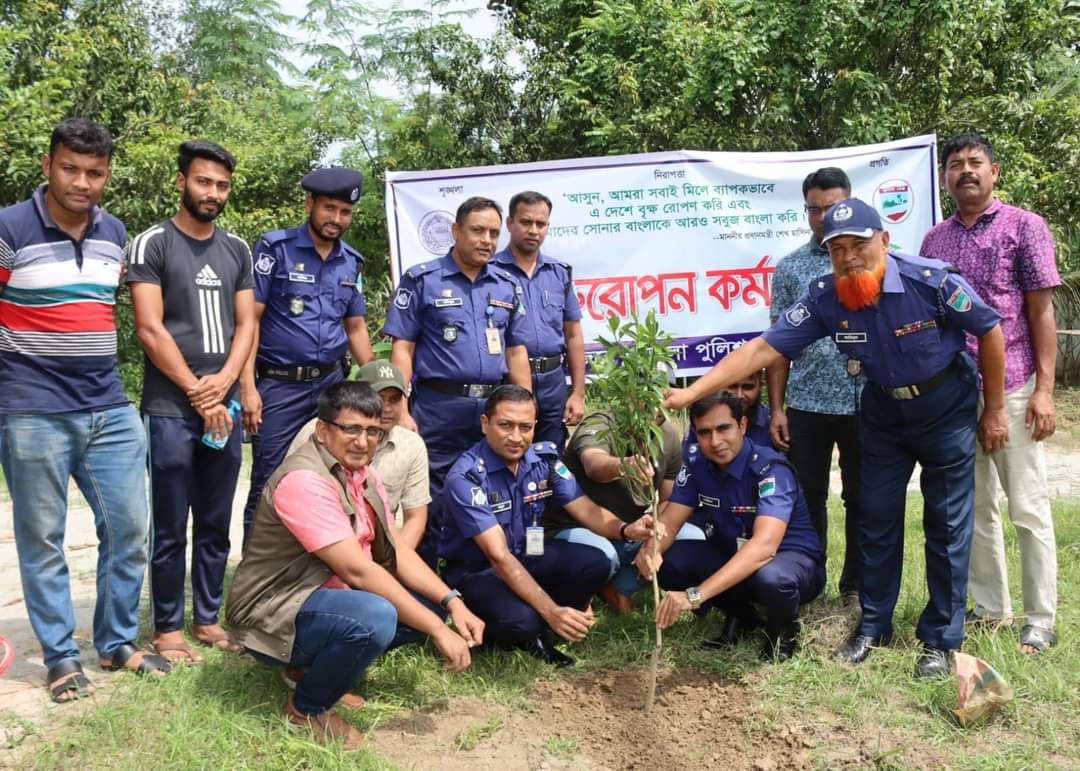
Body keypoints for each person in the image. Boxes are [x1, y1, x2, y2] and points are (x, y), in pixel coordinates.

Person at [666, 198, 1008, 678]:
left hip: (944, 407)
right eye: (837, 249)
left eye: (858, 245)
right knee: (876, 519)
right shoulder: (827, 296)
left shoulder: (928, 281)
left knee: (946, 525)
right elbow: (763, 348)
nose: (848, 257)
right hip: (884, 412)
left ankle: (939, 640)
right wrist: (691, 394)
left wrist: (992, 410)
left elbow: (989, 330)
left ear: (883, 241)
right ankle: (874, 624)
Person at [0, 118, 171, 702]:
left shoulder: (113, 232)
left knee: (130, 528)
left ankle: (117, 640)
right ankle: (59, 656)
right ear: (47, 166)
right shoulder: (9, 227)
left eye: (94, 172)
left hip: (107, 407)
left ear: (107, 176)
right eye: (69, 168)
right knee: (42, 537)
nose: (81, 181)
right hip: (31, 409)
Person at [226, 381, 484, 751]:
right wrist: (439, 632)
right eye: (351, 429)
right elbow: (358, 572)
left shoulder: (361, 474)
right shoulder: (304, 480)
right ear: (322, 429)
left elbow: (395, 550)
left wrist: (452, 603)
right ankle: (305, 711)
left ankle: (308, 671)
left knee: (426, 606)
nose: (363, 441)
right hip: (274, 608)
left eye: (372, 432)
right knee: (375, 615)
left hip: (321, 597)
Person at [921, 133, 1060, 654]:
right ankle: (991, 608)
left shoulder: (1026, 227)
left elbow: (1041, 311)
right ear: (945, 179)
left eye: (975, 162)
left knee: (1027, 506)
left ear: (994, 171)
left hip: (1018, 384)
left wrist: (1044, 391)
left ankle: (1040, 619)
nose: (966, 171)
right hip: (957, 393)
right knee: (975, 506)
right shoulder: (935, 241)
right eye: (955, 165)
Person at [127, 140, 257, 663]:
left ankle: (206, 618)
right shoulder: (151, 243)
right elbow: (149, 327)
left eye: (222, 185)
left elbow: (247, 324)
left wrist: (225, 381)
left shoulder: (238, 250)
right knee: (169, 521)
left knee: (214, 518)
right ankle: (166, 628)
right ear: (181, 181)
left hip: (221, 408)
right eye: (204, 181)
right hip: (170, 408)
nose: (213, 192)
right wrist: (196, 391)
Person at [439, 386, 657, 666]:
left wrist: (627, 529)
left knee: (596, 561)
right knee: (523, 622)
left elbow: (586, 509)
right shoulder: (466, 476)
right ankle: (528, 626)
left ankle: (554, 619)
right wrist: (551, 611)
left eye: (525, 427)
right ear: (485, 424)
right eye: (505, 425)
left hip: (529, 552)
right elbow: (498, 556)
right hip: (479, 572)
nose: (516, 437)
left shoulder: (544, 460)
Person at [382, 196, 531, 563]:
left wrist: (525, 404)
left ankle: (478, 575)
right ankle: (430, 581)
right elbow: (403, 348)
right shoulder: (422, 280)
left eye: (494, 233)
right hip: (439, 407)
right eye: (477, 230)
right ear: (455, 231)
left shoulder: (505, 284)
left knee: (492, 488)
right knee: (432, 497)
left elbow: (515, 351)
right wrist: (401, 408)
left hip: (492, 408)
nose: (487, 240)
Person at [240, 167, 374, 537]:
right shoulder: (275, 249)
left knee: (332, 476)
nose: (336, 219)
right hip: (280, 387)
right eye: (329, 208)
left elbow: (356, 328)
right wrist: (247, 389)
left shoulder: (351, 261)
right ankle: (257, 575)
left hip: (331, 384)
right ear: (310, 203)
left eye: (345, 212)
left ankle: (319, 565)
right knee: (269, 479)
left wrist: (381, 383)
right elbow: (250, 321)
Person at [642, 391, 825, 661]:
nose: (715, 442)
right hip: (733, 555)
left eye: (723, 428)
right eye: (704, 432)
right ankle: (744, 618)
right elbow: (670, 520)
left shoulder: (769, 469)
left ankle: (783, 633)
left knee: (772, 579)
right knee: (670, 560)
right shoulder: (696, 464)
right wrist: (651, 551)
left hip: (788, 562)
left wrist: (694, 596)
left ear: (742, 425)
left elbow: (764, 548)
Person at [767, 167, 864, 609]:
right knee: (807, 496)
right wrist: (777, 408)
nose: (824, 217)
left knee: (863, 496)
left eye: (833, 207)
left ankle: (856, 587)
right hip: (806, 403)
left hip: (866, 401)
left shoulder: (871, 256)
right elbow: (777, 347)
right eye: (815, 208)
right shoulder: (790, 269)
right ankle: (811, 580)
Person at [545, 408, 682, 613]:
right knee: (603, 555)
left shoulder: (668, 435)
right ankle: (591, 586)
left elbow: (668, 500)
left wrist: (652, 545)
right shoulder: (600, 421)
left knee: (685, 538)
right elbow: (594, 465)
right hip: (578, 527)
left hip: (627, 530)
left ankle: (617, 585)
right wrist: (624, 466)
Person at [289, 361, 431, 549]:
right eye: (380, 398)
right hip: (318, 545)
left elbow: (416, 519)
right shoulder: (321, 432)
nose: (387, 408)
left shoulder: (411, 445)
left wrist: (392, 566)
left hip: (376, 553)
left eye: (395, 399)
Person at [493, 191, 586, 451]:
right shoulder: (490, 272)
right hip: (507, 380)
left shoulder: (558, 273)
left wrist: (577, 393)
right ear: (510, 223)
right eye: (526, 222)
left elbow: (573, 335)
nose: (533, 230)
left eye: (540, 224)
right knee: (510, 454)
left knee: (550, 457)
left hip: (553, 382)